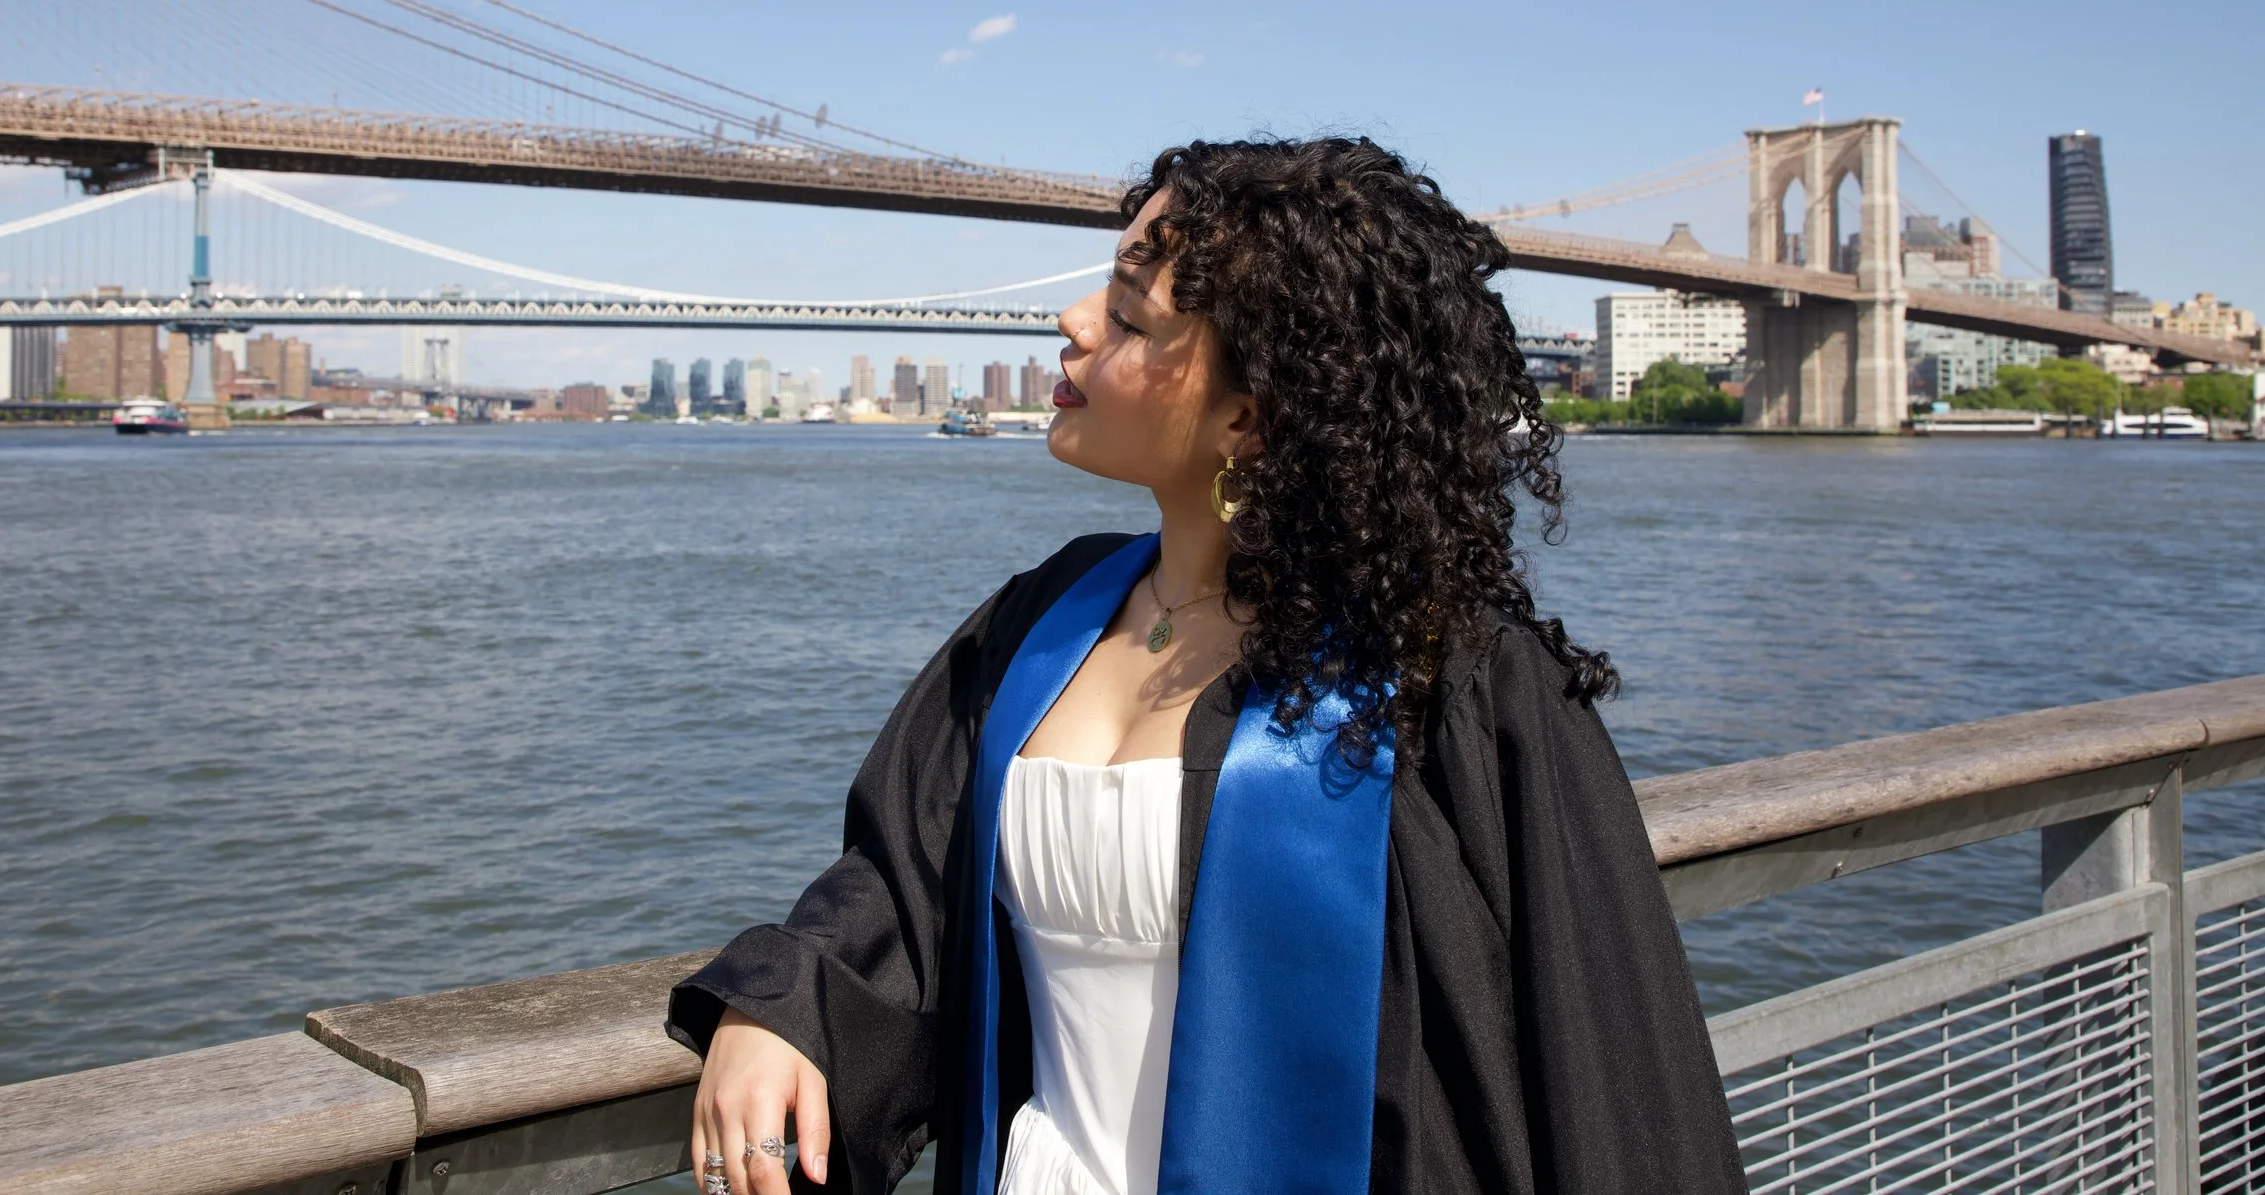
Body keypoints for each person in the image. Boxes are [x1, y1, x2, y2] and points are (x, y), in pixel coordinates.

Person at [667, 137, 1746, 1195]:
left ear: (1247, 417)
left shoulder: (1447, 683)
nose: (1072, 321)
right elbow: (907, 875)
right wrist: (784, 1000)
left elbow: (1606, 1060)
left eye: (1129, 314)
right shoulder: (1041, 618)